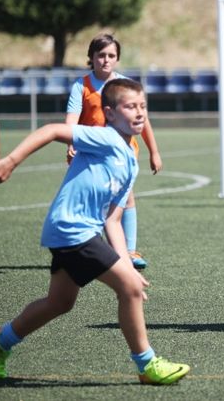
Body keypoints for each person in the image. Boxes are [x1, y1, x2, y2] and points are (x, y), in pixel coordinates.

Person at [0, 79, 189, 385]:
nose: (139, 112)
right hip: (72, 229)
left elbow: (113, 220)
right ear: (110, 113)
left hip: (80, 231)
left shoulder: (130, 161)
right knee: (129, 290)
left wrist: (127, 265)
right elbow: (52, 130)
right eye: (130, 106)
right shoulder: (105, 137)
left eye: (143, 106)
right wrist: (11, 161)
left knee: (60, 302)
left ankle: (0, 340)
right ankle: (147, 365)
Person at [65, 34, 162, 269]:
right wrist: (71, 141)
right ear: (91, 57)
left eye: (111, 55)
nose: (106, 60)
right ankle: (90, 249)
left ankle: (130, 251)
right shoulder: (81, 86)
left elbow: (143, 120)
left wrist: (154, 151)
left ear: (117, 58)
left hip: (123, 152)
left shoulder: (126, 86)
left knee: (126, 198)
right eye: (101, 55)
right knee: (92, 198)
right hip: (92, 153)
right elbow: (72, 119)